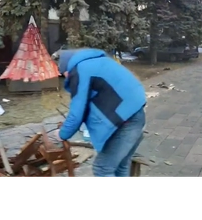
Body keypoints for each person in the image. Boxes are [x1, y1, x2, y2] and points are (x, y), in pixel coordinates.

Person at [56, 46, 147, 182]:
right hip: (136, 114)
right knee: (121, 166)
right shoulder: (98, 61)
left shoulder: (81, 69)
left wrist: (62, 134)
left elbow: (78, 110)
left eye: (64, 74)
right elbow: (96, 99)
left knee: (102, 168)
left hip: (126, 121)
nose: (65, 78)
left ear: (67, 68)